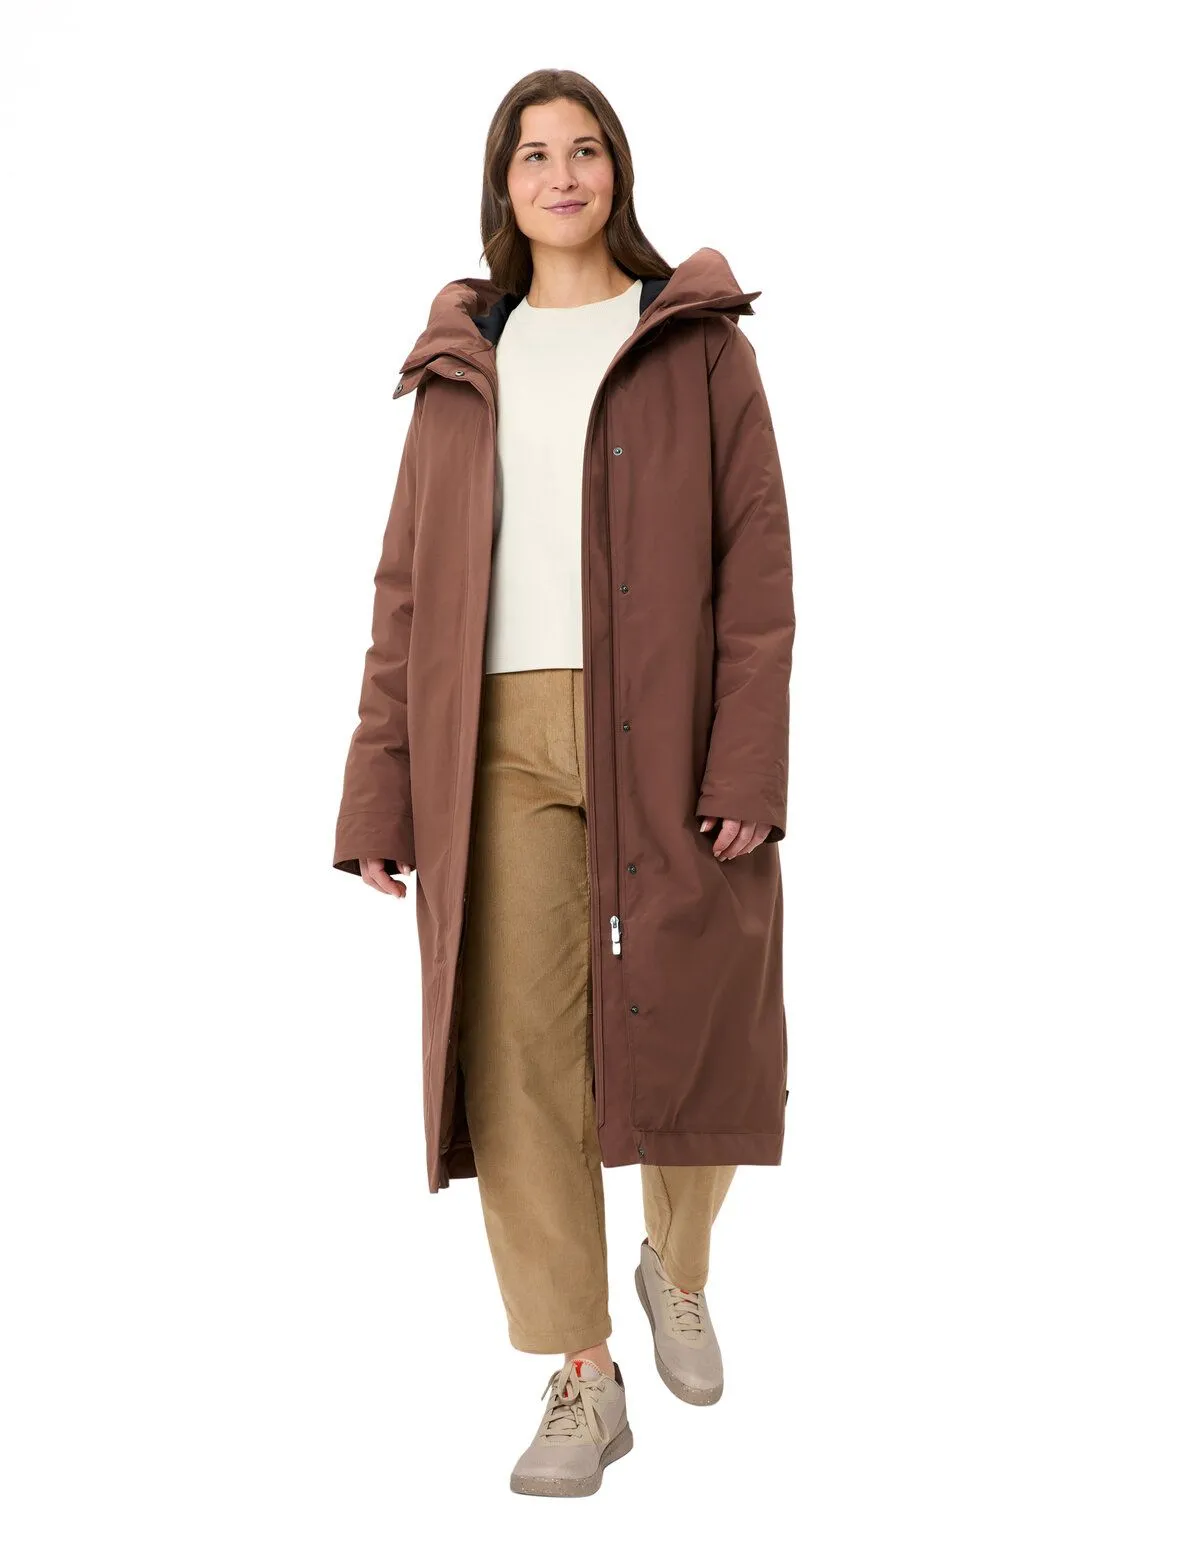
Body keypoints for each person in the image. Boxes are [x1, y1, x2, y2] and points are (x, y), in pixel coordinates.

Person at [332, 69, 795, 1498]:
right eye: (534, 154)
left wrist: (748, 760)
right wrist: (379, 789)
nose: (562, 173)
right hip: (494, 736)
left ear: (617, 171)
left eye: (585, 148)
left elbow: (758, 568)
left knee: (697, 1011)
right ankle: (585, 1375)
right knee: (519, 1051)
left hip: (668, 728)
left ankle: (678, 1262)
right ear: (505, 186)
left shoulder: (696, 344)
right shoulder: (461, 364)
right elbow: (407, 592)